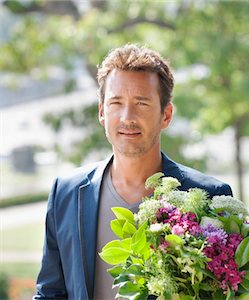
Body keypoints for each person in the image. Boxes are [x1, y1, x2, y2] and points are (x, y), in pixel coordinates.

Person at [34, 44, 233, 300]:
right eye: (116, 103)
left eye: (141, 103)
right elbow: (50, 292)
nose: (127, 117)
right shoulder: (66, 192)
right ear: (102, 112)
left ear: (166, 115)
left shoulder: (210, 197)